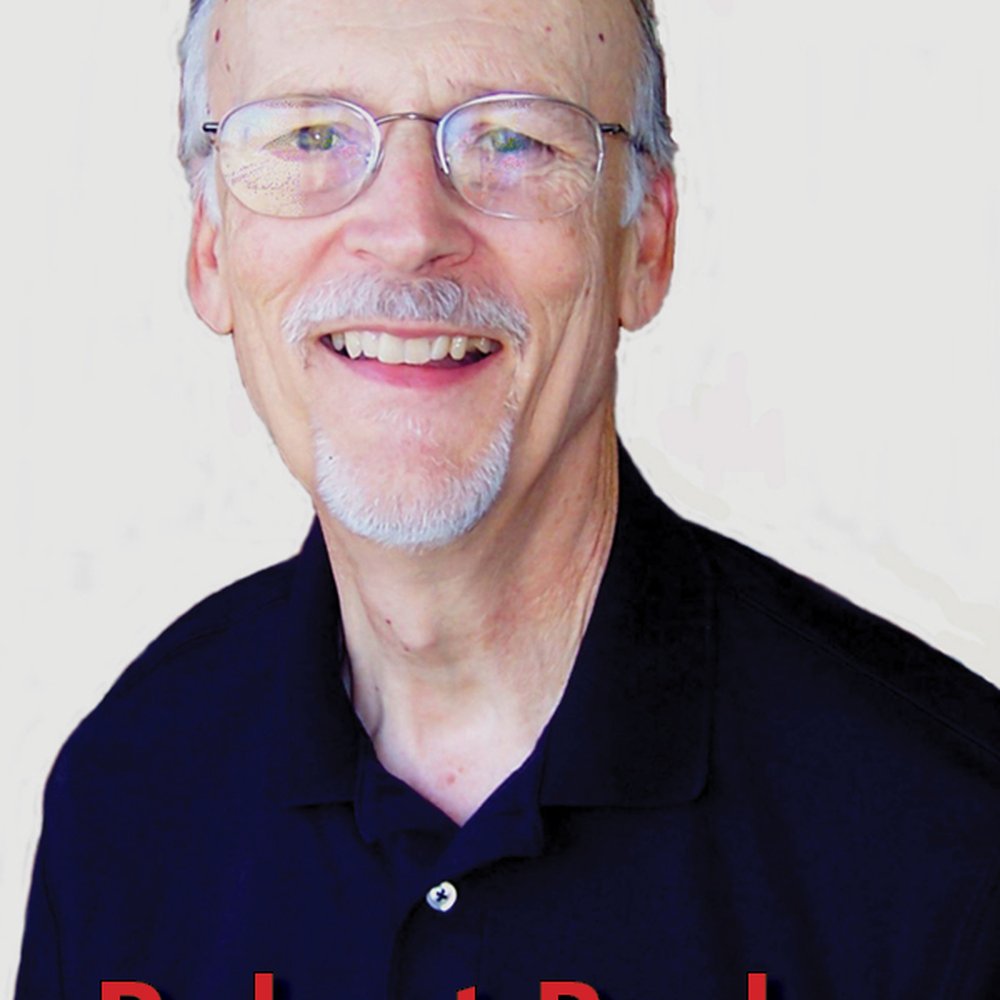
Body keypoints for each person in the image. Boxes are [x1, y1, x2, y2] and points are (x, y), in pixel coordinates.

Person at [15, 0, 1000, 996]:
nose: (407, 232)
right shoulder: (128, 793)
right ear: (211, 249)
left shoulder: (950, 850)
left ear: (646, 244)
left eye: (511, 139)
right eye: (310, 136)